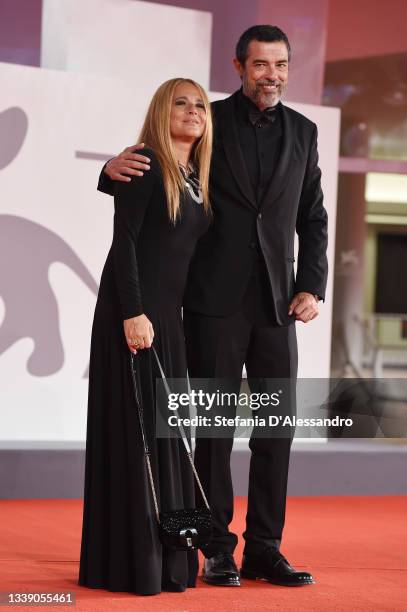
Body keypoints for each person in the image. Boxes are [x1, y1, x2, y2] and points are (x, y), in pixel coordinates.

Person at [98, 25, 328, 587]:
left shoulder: (305, 131)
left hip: (279, 305)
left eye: (280, 65)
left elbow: (312, 217)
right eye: (260, 65)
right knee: (213, 432)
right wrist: (107, 173)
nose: (271, 75)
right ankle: (213, 546)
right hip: (211, 303)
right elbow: (157, 171)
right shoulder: (208, 119)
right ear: (239, 67)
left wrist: (311, 285)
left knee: (276, 430)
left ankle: (266, 547)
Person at [79, 77, 213, 595]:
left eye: (200, 104)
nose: (192, 111)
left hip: (169, 320)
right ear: (161, 111)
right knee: (141, 440)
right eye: (180, 103)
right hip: (135, 317)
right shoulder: (144, 163)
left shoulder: (195, 175)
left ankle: (171, 561)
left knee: (169, 439)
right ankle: (134, 564)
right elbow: (125, 245)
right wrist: (133, 313)